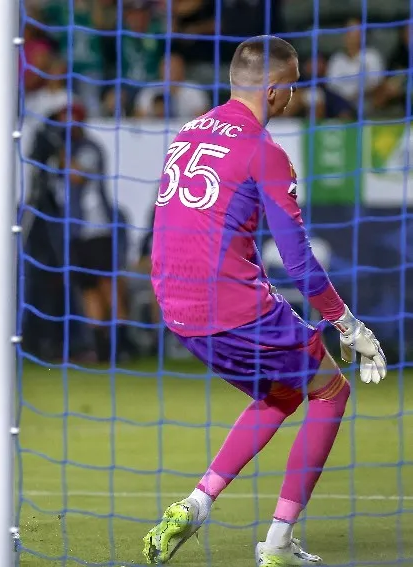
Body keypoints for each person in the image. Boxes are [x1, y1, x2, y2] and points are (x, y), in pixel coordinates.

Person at [142, 36, 387, 567]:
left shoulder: (188, 132)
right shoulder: (263, 151)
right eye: (292, 86)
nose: (293, 97)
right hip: (232, 308)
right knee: (330, 392)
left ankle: (196, 504)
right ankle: (278, 543)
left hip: (178, 311)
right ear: (274, 89)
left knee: (280, 393)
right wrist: (348, 325)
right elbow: (298, 261)